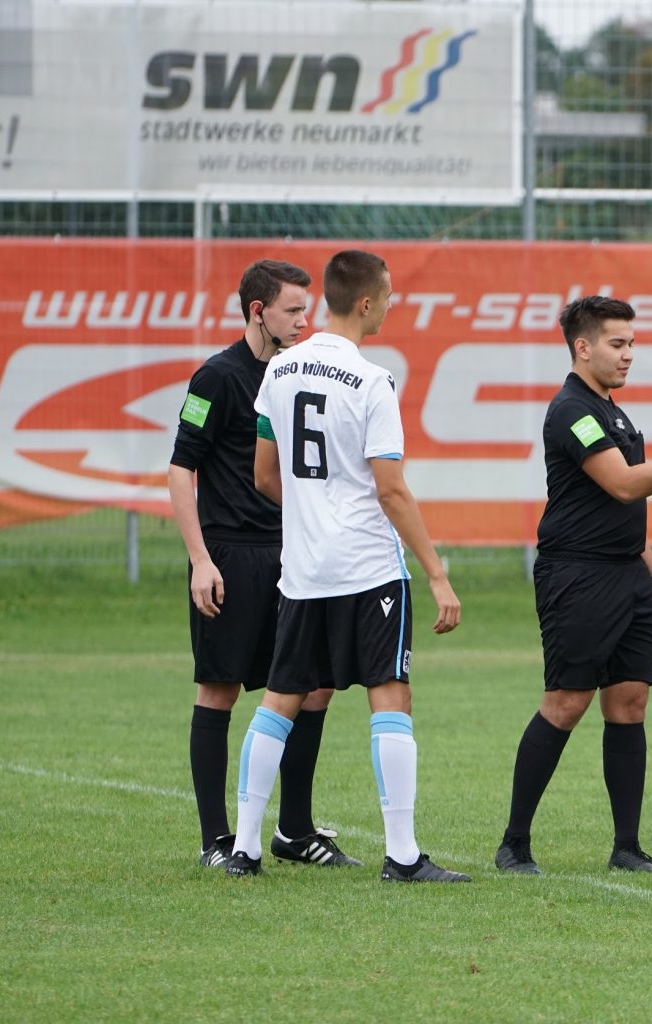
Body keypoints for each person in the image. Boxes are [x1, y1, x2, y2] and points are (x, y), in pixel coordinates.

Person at [226, 249, 468, 882]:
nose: (391, 305)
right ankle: (404, 856)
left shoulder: (276, 372)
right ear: (366, 302)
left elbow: (263, 476)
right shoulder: (373, 381)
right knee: (391, 696)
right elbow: (391, 490)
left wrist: (312, 513)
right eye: (388, 296)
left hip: (303, 570)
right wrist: (437, 573)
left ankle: (245, 850)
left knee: (279, 700)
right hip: (367, 567)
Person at [493, 295, 652, 876]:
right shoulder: (572, 411)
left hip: (627, 576)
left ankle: (626, 847)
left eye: (632, 343)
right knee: (566, 702)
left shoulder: (615, 411)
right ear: (583, 347)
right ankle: (514, 844)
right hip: (577, 576)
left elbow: (621, 511)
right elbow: (626, 486)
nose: (630, 354)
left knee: (629, 703)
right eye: (618, 343)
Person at [168, 259, 360, 870]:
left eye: (307, 310)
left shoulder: (296, 373)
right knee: (219, 689)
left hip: (296, 555)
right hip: (232, 556)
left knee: (315, 685)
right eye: (293, 310)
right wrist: (200, 560)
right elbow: (180, 469)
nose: (304, 321)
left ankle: (294, 831)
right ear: (258, 311)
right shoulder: (216, 378)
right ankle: (215, 841)